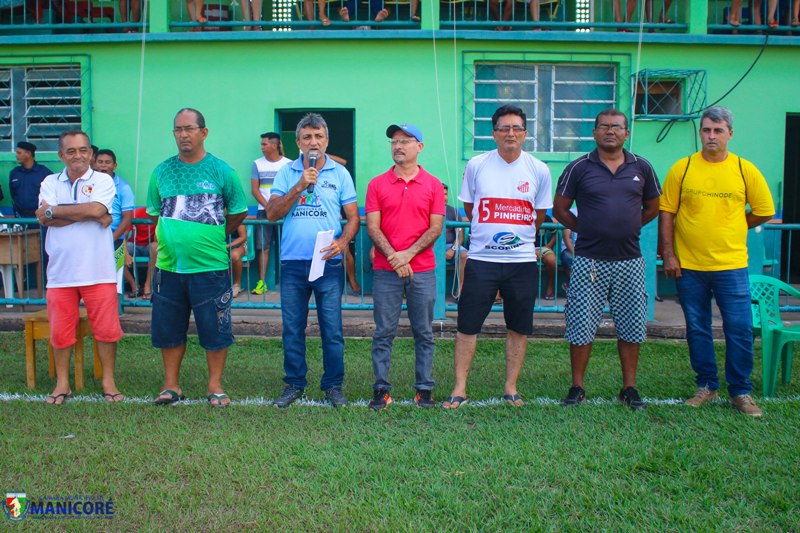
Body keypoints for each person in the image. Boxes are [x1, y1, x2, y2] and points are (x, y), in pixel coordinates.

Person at [659, 106, 775, 417]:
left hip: (731, 266)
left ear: (730, 134)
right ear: (700, 132)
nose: (711, 136)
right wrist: (668, 254)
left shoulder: (743, 170)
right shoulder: (682, 169)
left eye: (718, 130)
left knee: (738, 328)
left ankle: (740, 391)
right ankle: (707, 385)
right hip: (689, 267)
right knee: (697, 327)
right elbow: (666, 213)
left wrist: (736, 224)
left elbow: (764, 210)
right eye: (706, 130)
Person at [443, 104, 553, 409]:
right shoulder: (477, 165)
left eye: (517, 128)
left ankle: (511, 387)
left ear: (525, 134)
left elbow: (538, 215)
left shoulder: (539, 169)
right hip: (481, 260)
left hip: (521, 262)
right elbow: (470, 209)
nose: (511, 133)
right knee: (467, 325)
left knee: (518, 327)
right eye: (504, 128)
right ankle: (460, 387)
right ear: (494, 133)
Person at [553, 109, 661, 410]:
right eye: (604, 126)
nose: (610, 131)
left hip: (629, 260)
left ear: (627, 133)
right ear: (594, 132)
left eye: (617, 127)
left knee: (631, 324)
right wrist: (583, 228)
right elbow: (560, 209)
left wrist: (633, 223)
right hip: (589, 260)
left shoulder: (643, 167)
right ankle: (577, 386)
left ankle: (629, 387)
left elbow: (653, 205)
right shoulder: (578, 168)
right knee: (581, 324)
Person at [147, 108, 248, 407]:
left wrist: (217, 235)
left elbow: (239, 209)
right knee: (169, 329)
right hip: (169, 268)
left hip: (211, 268)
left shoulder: (222, 171)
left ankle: (215, 386)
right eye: (178, 129)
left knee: (215, 329)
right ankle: (171, 386)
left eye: (189, 129)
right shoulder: (161, 171)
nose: (183, 135)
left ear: (204, 132)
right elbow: (155, 213)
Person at [266, 113, 359, 408]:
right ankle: (294, 384)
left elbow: (354, 217)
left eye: (318, 136)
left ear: (326, 140)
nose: (313, 142)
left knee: (331, 329)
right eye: (307, 137)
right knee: (293, 328)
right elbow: (272, 213)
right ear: (298, 143)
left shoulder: (340, 174)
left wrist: (342, 242)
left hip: (327, 263)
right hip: (293, 263)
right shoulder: (286, 173)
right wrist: (299, 185)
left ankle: (333, 386)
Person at [35, 130, 124, 404]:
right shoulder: (50, 181)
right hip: (60, 273)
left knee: (107, 331)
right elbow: (45, 217)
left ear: (91, 153)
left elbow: (97, 211)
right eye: (71, 151)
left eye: (83, 150)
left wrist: (58, 210)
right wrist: (88, 213)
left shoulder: (102, 180)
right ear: (61, 155)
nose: (78, 156)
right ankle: (63, 383)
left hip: (98, 271)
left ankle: (108, 381)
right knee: (60, 332)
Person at [365, 123, 444, 410]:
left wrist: (406, 256)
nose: (398, 146)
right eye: (394, 141)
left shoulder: (434, 185)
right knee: (383, 331)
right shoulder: (377, 184)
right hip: (387, 272)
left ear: (419, 147)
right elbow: (373, 227)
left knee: (424, 332)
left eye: (405, 141)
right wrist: (395, 258)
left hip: (422, 270)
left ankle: (424, 388)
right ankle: (381, 389)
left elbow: (436, 228)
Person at [250, 132, 291, 295]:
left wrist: (280, 208)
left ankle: (290, 282)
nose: (262, 147)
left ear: (274, 145)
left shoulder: (289, 164)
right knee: (263, 248)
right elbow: (255, 190)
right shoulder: (257, 164)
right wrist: (270, 207)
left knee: (287, 247)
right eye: (261, 144)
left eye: (264, 144)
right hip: (263, 212)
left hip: (286, 212)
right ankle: (262, 283)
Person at [95, 149, 134, 250]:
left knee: (116, 266)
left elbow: (127, 218)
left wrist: (111, 239)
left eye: (107, 162)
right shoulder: (87, 185)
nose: (103, 165)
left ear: (114, 166)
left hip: (115, 239)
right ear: (94, 164)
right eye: (100, 162)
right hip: (92, 238)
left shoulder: (123, 187)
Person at [9, 141, 52, 219]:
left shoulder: (44, 173)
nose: (16, 156)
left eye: (19, 153)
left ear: (28, 154)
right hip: (20, 217)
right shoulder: (14, 173)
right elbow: (13, 194)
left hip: (40, 217)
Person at [123, 206, 157, 299]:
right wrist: (125, 253)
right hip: (134, 245)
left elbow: (157, 240)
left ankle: (147, 286)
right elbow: (124, 233)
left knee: (155, 247)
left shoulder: (162, 214)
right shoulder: (136, 213)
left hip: (149, 246)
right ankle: (134, 285)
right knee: (118, 250)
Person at [443, 183, 468, 299]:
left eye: (445, 194)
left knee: (464, 255)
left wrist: (452, 250)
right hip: (430, 247)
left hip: (450, 246)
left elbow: (460, 237)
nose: (444, 197)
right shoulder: (427, 210)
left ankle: (461, 291)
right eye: (440, 194)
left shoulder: (454, 212)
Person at [228, 223, 247, 298]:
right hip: (220, 245)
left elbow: (243, 237)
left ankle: (236, 284)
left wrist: (228, 246)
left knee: (234, 255)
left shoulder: (237, 216)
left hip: (239, 244)